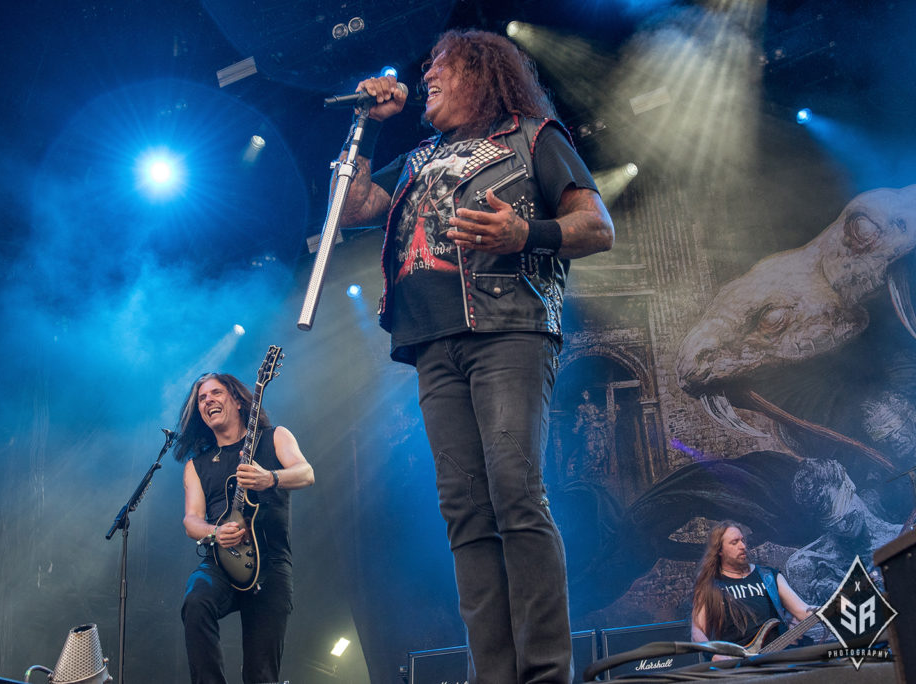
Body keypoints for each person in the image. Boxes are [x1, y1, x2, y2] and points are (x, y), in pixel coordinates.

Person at [338, 29, 615, 683]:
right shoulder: (416, 159)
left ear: (480, 73)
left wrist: (529, 232)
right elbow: (352, 204)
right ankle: (492, 674)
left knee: (515, 494)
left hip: (509, 330)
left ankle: (545, 671)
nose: (426, 75)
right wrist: (367, 127)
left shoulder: (532, 137)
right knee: (465, 511)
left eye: (440, 65)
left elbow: (597, 225)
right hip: (433, 344)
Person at [174, 372, 314, 684]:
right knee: (196, 602)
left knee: (260, 673)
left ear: (237, 400)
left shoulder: (274, 436)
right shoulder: (196, 465)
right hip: (221, 560)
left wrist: (271, 478)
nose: (208, 400)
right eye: (201, 398)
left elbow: (306, 473)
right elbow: (190, 520)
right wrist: (214, 532)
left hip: (272, 563)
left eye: (216, 393)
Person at [691, 522, 814, 657]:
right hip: (737, 663)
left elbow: (803, 611)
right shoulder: (709, 584)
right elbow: (697, 631)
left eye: (743, 540)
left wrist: (833, 606)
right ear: (719, 550)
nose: (743, 546)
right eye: (734, 542)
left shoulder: (769, 576)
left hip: (776, 657)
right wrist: (715, 655)